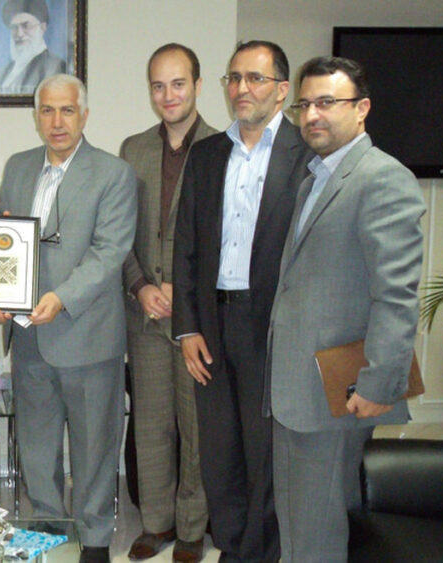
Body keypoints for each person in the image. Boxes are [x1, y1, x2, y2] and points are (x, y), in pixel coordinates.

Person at [270, 56, 425, 561]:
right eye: (305, 104)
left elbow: (396, 294)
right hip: (297, 388)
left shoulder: (383, 178)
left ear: (362, 109)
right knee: (299, 523)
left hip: (337, 393)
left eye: (326, 102)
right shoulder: (315, 177)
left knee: (318, 531)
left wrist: (379, 383)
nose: (312, 114)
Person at [172, 40, 314, 562]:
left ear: (282, 90)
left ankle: (264, 553)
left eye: (255, 78)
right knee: (220, 453)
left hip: (273, 325)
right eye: (234, 78)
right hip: (212, 324)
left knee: (267, 453)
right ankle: (233, 550)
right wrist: (187, 328)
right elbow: (186, 246)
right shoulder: (207, 154)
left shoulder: (307, 156)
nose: (241, 88)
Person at [0, 73, 137, 563]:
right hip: (29, 336)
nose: (57, 121)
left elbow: (109, 252)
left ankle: (94, 540)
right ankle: (48, 529)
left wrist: (61, 297)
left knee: (95, 448)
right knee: (36, 445)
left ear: (84, 115)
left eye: (67, 110)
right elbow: (4, 240)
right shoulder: (18, 166)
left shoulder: (113, 173)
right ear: (37, 117)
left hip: (88, 333)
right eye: (47, 111)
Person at [119, 43, 217, 563]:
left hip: (197, 319)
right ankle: (155, 524)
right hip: (144, 313)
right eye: (158, 85)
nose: (168, 95)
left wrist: (187, 287)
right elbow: (118, 233)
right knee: (151, 425)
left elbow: (229, 236)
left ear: (197, 86)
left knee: (195, 427)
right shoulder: (132, 149)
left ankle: (192, 528)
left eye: (178, 84)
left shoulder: (224, 148)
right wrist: (140, 285)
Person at [0, 0, 66, 93]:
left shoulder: (54, 66)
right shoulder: (4, 73)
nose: (20, 34)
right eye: (14, 27)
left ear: (42, 28)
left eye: (26, 26)